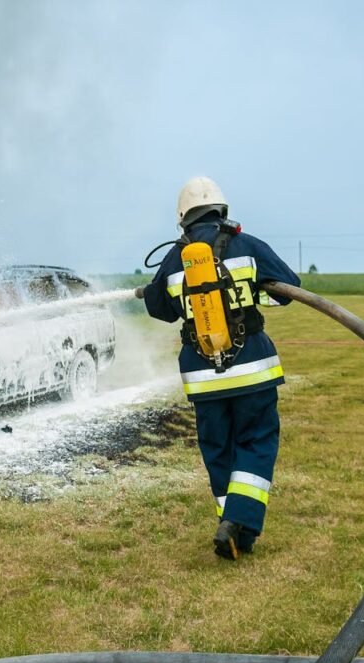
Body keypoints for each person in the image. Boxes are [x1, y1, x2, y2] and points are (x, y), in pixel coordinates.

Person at [137, 176, 300, 560]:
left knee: (218, 450)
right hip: (251, 369)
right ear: (221, 211)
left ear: (183, 220)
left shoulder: (176, 257)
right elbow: (289, 287)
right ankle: (238, 523)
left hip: (203, 376)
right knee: (257, 442)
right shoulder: (246, 246)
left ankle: (234, 535)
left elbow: (158, 308)